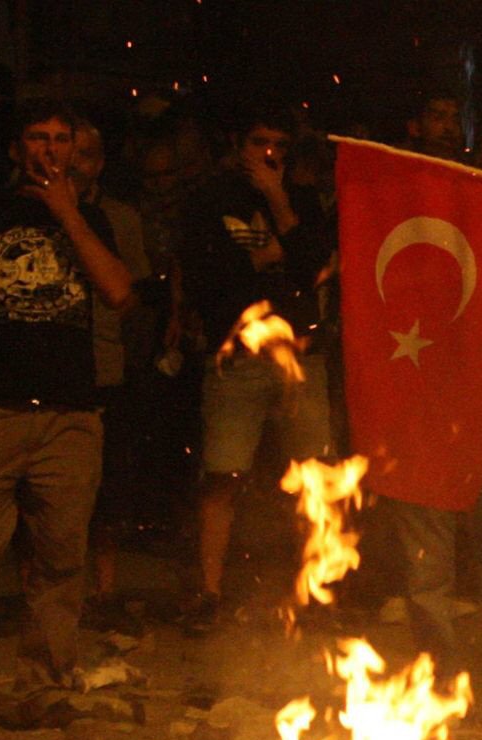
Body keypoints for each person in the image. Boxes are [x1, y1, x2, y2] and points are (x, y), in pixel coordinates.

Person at [0, 99, 131, 731]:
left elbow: (118, 291)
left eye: (62, 138)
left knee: (62, 556)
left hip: (69, 416)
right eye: (38, 137)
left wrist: (68, 214)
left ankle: (44, 680)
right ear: (17, 148)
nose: (50, 149)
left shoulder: (89, 218)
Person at [180, 107, 334, 632]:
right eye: (259, 140)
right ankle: (208, 591)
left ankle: (316, 590)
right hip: (239, 357)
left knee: (313, 475)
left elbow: (313, 267)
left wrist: (279, 201)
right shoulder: (208, 199)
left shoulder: (304, 200)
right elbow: (209, 275)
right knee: (223, 475)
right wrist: (267, 259)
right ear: (237, 142)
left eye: (279, 145)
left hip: (301, 357)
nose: (269, 153)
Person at [71, 118, 153, 632]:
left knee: (107, 485)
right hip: (51, 368)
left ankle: (104, 588)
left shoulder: (119, 218)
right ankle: (53, 593)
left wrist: (135, 360)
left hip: (106, 364)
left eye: (83, 154)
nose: (73, 164)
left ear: (99, 162)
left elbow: (135, 293)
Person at [407, 88, 465, 162]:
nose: (450, 127)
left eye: (456, 121)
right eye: (439, 118)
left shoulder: (468, 170)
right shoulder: (397, 165)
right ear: (414, 127)